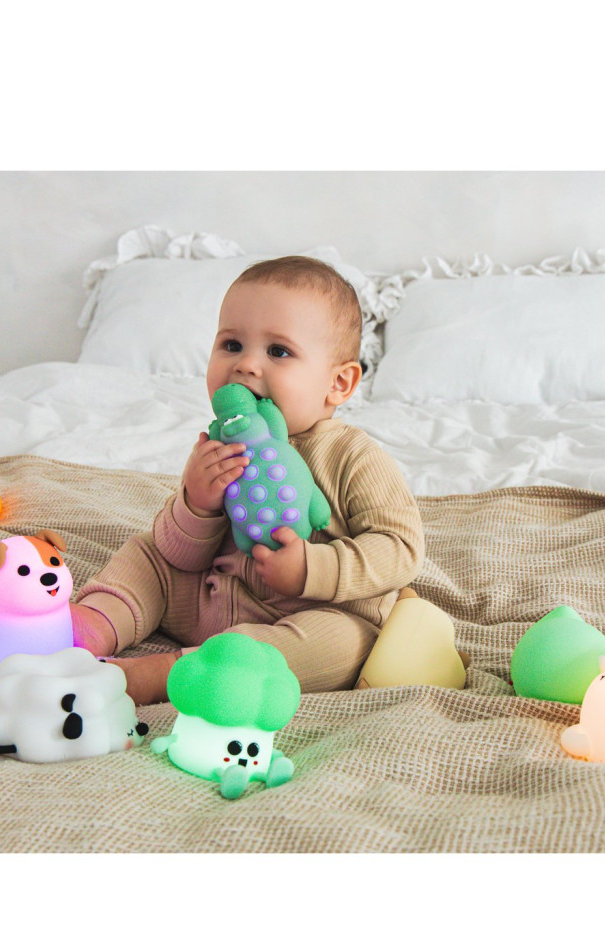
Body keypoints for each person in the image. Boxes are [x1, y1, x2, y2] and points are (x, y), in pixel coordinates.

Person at [70, 255, 425, 704]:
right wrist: (196, 504)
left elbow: (401, 547)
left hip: (309, 614)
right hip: (210, 599)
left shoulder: (354, 457)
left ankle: (173, 672)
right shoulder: (222, 443)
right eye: (232, 344)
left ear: (338, 383)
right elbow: (178, 553)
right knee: (148, 554)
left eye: (278, 351)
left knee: (345, 643)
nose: (246, 365)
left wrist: (313, 569)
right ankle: (93, 624)